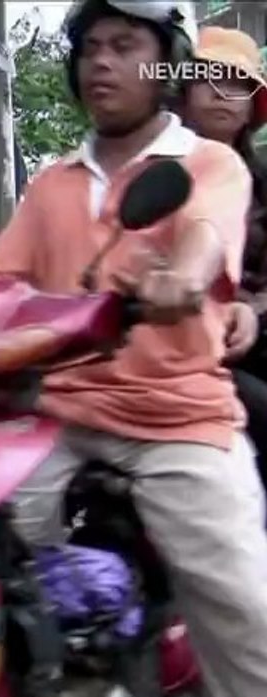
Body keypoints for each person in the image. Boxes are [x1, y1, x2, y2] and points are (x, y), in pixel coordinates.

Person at [0, 1, 267, 697]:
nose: (101, 61)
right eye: (91, 48)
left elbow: (202, 236)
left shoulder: (209, 163)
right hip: (60, 414)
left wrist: (183, 281)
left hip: (178, 418)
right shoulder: (53, 184)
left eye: (124, 45)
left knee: (246, 619)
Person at [180, 26, 267, 483]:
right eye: (208, 78)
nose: (222, 94)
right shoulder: (149, 172)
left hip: (248, 345)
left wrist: (249, 311)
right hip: (167, 346)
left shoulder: (263, 183)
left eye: (237, 83)